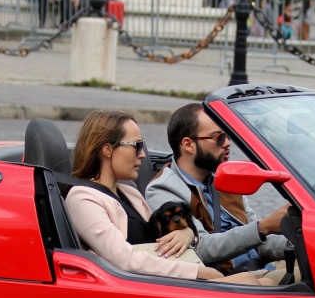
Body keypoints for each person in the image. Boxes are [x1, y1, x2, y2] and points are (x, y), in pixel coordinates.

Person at [64, 111, 268, 284]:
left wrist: (188, 233)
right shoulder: (83, 198)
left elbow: (158, 238)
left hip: (164, 280)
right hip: (142, 288)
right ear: (107, 150)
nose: (143, 154)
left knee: (272, 281)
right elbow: (123, 259)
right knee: (257, 284)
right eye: (136, 145)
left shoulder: (130, 192)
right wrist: (197, 273)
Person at [145, 103, 291, 278]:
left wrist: (298, 242)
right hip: (227, 281)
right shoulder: (164, 189)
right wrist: (264, 227)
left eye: (228, 135)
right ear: (188, 144)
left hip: (260, 267)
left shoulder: (224, 180)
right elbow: (201, 247)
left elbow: (259, 241)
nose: (227, 143)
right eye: (218, 137)